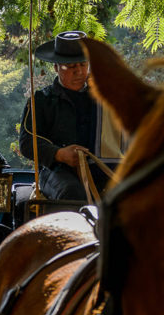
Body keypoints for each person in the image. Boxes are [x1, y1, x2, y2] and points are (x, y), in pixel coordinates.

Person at [18, 30, 125, 201]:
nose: (79, 72)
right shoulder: (41, 100)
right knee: (72, 193)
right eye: (70, 67)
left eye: (83, 65)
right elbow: (26, 142)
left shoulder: (105, 97)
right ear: (56, 67)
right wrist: (59, 154)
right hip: (58, 172)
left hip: (102, 170)